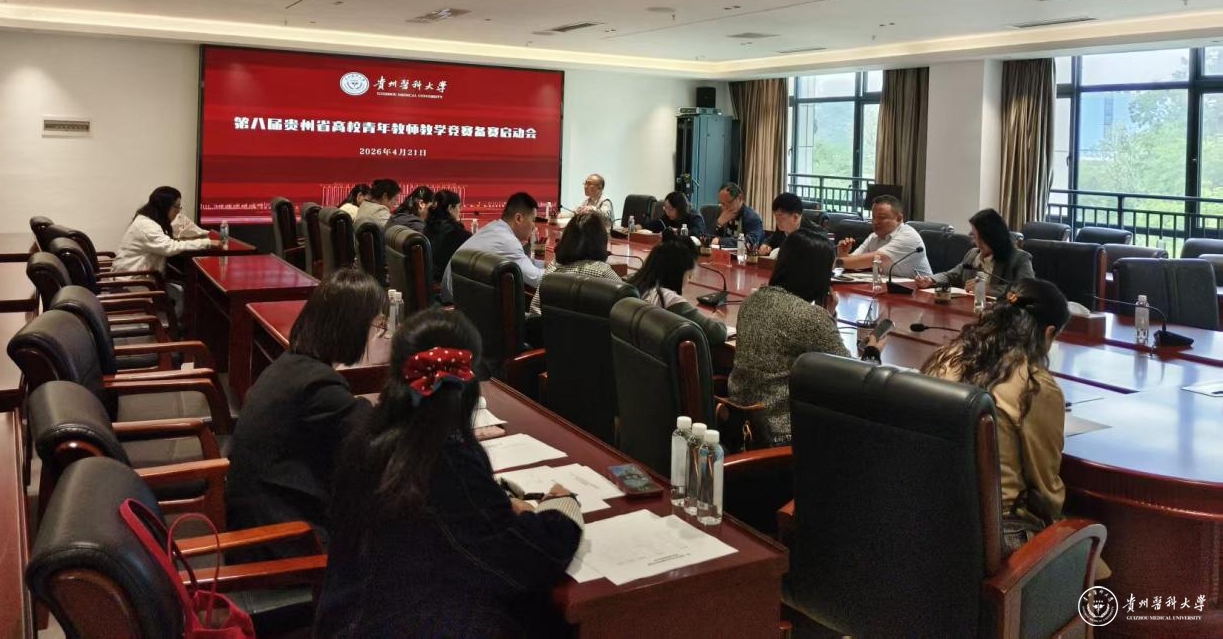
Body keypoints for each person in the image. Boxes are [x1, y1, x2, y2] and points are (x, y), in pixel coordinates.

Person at [316, 308, 583, 637]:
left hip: (350, 621)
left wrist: (497, 500)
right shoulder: (445, 462)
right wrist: (562, 506)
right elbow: (530, 559)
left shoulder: (368, 437)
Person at [225, 268, 386, 560]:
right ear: (353, 328)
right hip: (284, 544)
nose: (378, 336)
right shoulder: (318, 385)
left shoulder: (291, 365)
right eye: (378, 326)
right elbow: (376, 440)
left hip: (258, 524)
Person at [920, 278, 1076, 559]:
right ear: (1049, 333)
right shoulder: (1034, 385)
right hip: (999, 535)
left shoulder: (943, 359)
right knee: (1089, 543)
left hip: (930, 520)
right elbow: (1045, 488)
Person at [729, 229, 883, 446]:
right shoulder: (810, 317)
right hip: (782, 434)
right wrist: (873, 351)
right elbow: (855, 378)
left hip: (739, 423)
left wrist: (827, 316)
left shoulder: (752, 301)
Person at [628, 230, 727, 345]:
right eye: (689, 275)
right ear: (677, 273)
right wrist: (716, 318)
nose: (689, 281)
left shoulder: (633, 286)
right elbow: (717, 333)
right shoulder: (668, 299)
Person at [441, 192, 544, 302]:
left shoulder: (494, 227)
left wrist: (542, 264)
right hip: (458, 304)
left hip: (452, 294)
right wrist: (556, 270)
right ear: (518, 218)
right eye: (533, 220)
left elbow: (519, 261)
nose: (534, 226)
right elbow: (537, 280)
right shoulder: (507, 240)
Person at [914, 208, 1034, 297]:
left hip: (1003, 316)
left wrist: (988, 289)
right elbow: (952, 275)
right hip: (969, 310)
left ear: (993, 237)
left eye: (980, 238)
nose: (976, 242)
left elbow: (1027, 290)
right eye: (975, 237)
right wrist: (931, 280)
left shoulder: (1019, 258)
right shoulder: (973, 254)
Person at [529, 212, 622, 315]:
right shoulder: (602, 272)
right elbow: (629, 299)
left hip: (549, 325)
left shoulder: (552, 269)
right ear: (601, 242)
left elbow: (534, 311)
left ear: (565, 239)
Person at [113, 186, 219, 275]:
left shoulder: (147, 219)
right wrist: (207, 243)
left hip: (135, 278)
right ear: (163, 206)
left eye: (179, 207)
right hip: (133, 284)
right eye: (176, 207)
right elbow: (169, 247)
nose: (178, 211)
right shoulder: (147, 226)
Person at [836, 194, 933, 278]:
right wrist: (843, 253)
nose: (875, 222)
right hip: (890, 288)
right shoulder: (874, 237)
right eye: (873, 217)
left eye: (881, 217)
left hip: (920, 290)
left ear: (899, 218)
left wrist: (834, 262)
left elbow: (877, 259)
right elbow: (852, 262)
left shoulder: (908, 236)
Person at [423, 189, 471, 282]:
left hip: (431, 278)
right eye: (459, 207)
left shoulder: (428, 226)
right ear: (450, 208)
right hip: (445, 281)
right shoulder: (454, 231)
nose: (460, 211)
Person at [757, 192, 823, 256]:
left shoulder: (814, 235)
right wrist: (766, 245)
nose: (777, 221)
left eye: (781, 216)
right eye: (776, 216)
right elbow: (771, 240)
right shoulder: (781, 228)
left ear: (795, 217)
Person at [711, 182, 766, 247]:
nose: (724, 207)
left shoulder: (752, 218)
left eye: (728, 203)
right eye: (722, 204)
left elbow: (750, 242)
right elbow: (709, 238)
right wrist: (719, 223)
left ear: (740, 198)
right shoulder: (721, 212)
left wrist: (721, 241)